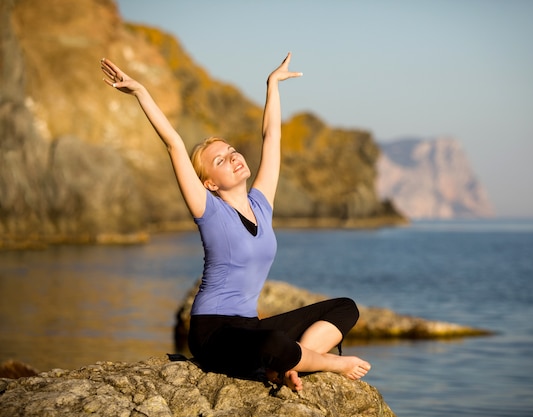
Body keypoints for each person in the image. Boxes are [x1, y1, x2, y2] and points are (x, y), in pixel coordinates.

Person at [100, 53, 370, 391]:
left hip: (248, 327)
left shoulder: (261, 203)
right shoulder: (208, 210)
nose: (233, 158)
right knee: (272, 343)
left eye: (231, 151)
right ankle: (326, 363)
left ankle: (290, 366)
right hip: (213, 333)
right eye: (220, 160)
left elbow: (271, 138)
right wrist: (141, 92)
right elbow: (173, 144)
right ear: (210, 183)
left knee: (345, 308)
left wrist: (272, 85)